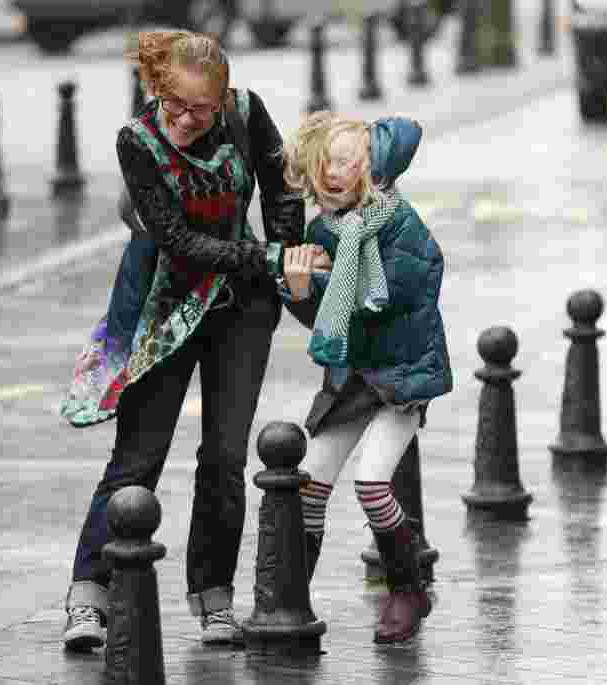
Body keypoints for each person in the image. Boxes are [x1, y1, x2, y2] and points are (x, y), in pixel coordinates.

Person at [60, 29, 319, 651]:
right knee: (138, 458)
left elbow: (282, 187)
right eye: (174, 104)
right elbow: (178, 240)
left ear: (222, 99)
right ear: (157, 89)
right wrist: (268, 255)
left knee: (226, 461)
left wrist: (290, 254)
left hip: (242, 312)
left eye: (201, 110)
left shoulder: (247, 113)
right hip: (163, 305)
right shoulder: (137, 141)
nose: (185, 120)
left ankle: (214, 599)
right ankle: (89, 598)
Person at [278, 111, 453, 644]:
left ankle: (407, 588)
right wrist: (301, 289)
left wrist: (331, 281)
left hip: (401, 377)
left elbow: (396, 294)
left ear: (371, 171)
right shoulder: (321, 231)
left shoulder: (399, 222)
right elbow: (322, 320)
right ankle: (288, 598)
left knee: (372, 482)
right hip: (352, 376)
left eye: (348, 163)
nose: (334, 173)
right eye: (325, 162)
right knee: (308, 485)